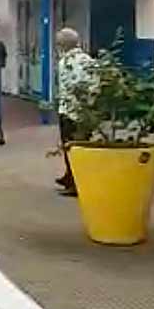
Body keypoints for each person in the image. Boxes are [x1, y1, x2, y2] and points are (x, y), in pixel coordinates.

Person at [54, 28, 95, 197]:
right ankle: (69, 175)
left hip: (69, 110)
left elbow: (68, 85)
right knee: (79, 146)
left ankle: (75, 182)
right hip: (84, 110)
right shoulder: (88, 60)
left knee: (71, 146)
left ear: (62, 45)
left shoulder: (66, 61)